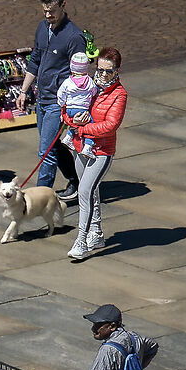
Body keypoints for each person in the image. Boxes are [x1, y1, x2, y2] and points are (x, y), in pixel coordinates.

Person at [61, 49, 128, 262]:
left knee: (84, 191)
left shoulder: (119, 94)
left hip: (102, 151)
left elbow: (110, 126)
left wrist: (82, 130)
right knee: (92, 191)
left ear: (117, 71)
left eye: (109, 71)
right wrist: (73, 122)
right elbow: (69, 107)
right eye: (100, 69)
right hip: (81, 147)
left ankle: (81, 241)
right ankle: (96, 233)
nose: (104, 75)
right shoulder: (88, 86)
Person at [20, 0, 87, 196]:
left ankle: (42, 197)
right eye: (45, 11)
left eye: (53, 11)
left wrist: (74, 105)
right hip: (42, 97)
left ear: (63, 5)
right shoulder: (42, 28)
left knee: (45, 152)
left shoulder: (74, 37)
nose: (49, 15)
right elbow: (35, 60)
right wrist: (24, 90)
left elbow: (80, 76)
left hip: (58, 103)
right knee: (52, 146)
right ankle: (76, 180)